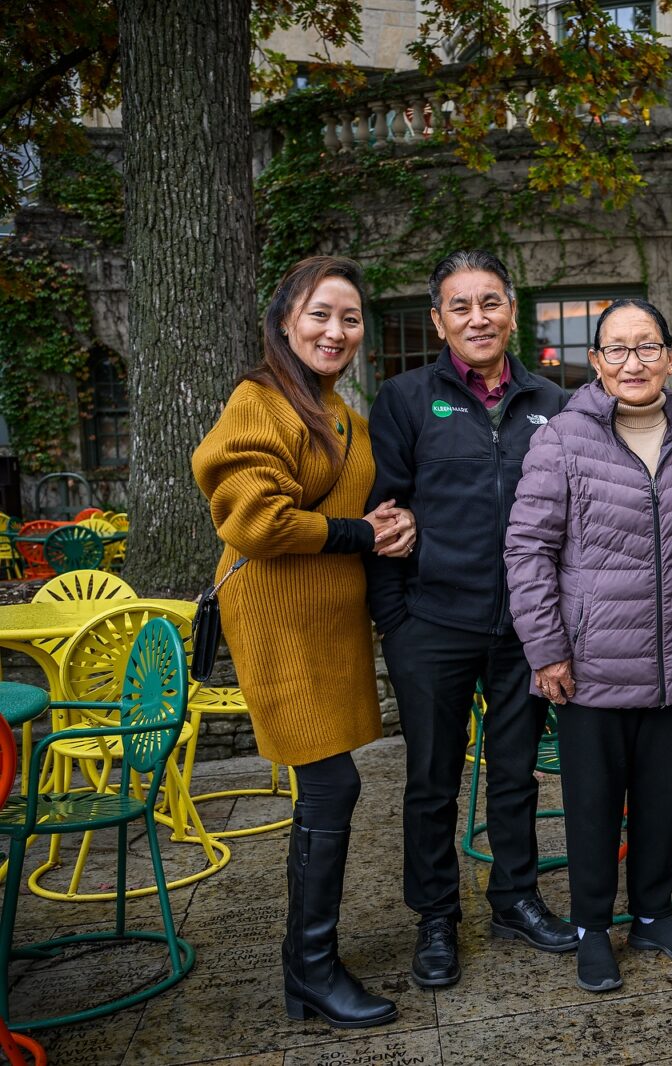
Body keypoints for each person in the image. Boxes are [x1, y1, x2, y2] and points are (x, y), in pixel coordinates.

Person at [193, 255, 416, 1029]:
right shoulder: (261, 399)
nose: (336, 330)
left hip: (325, 617)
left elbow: (361, 506)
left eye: (350, 317)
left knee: (334, 785)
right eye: (320, 313)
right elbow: (253, 517)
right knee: (332, 786)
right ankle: (311, 969)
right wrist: (358, 531)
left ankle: (307, 969)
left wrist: (389, 525)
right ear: (286, 319)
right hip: (278, 617)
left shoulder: (336, 410)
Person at [365, 250, 574, 990]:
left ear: (513, 310)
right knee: (431, 778)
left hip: (525, 630)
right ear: (439, 320)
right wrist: (397, 621)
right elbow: (382, 514)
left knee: (515, 773)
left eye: (491, 302)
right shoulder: (404, 399)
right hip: (433, 622)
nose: (478, 317)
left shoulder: (552, 400)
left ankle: (516, 896)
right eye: (461, 306)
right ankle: (434, 918)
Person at [504, 298, 672, 993]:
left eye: (647, 347)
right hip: (588, 663)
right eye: (617, 350)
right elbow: (529, 547)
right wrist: (546, 649)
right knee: (593, 802)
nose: (634, 363)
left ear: (671, 357)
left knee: (661, 795)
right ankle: (594, 926)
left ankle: (652, 913)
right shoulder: (563, 439)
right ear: (595, 362)